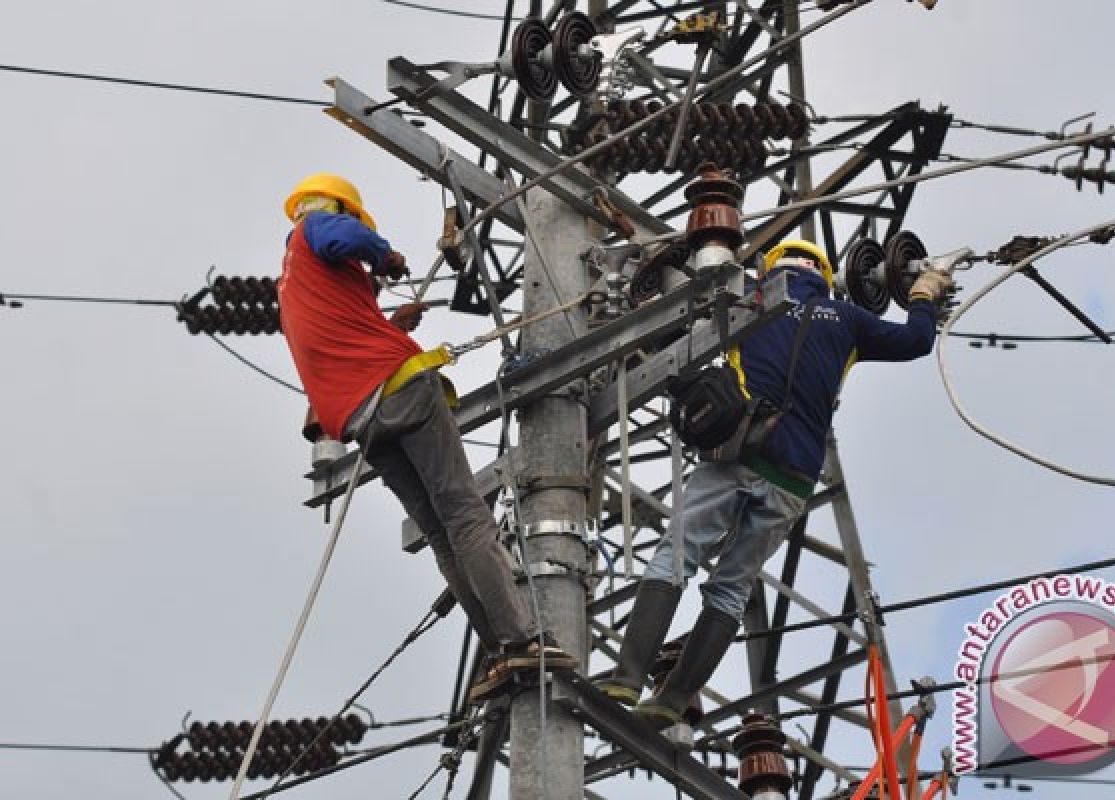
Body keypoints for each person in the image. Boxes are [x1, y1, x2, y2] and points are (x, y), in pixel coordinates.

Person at [598, 239, 952, 726]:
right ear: (825, 275)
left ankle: (629, 673)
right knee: (731, 589)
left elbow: (673, 345)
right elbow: (916, 341)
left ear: (772, 266)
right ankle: (673, 698)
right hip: (794, 479)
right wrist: (925, 292)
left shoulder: (749, 301)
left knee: (677, 555)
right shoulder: (849, 320)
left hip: (735, 456)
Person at [277, 173, 574, 701]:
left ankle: (502, 649)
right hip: (404, 395)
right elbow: (344, 237)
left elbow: (350, 343)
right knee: (464, 513)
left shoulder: (296, 284)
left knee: (442, 531)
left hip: (363, 420)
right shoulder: (316, 230)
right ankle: (521, 637)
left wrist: (395, 322)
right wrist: (385, 256)